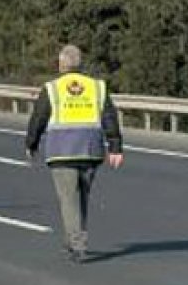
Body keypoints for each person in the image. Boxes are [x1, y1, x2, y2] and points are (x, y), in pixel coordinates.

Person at [25, 45, 124, 263]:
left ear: (61, 64)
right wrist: (115, 147)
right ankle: (72, 241)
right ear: (80, 64)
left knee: (68, 199)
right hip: (90, 149)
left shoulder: (52, 88)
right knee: (81, 197)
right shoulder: (97, 86)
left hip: (61, 151)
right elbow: (109, 116)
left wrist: (31, 143)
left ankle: (77, 243)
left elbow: (39, 117)